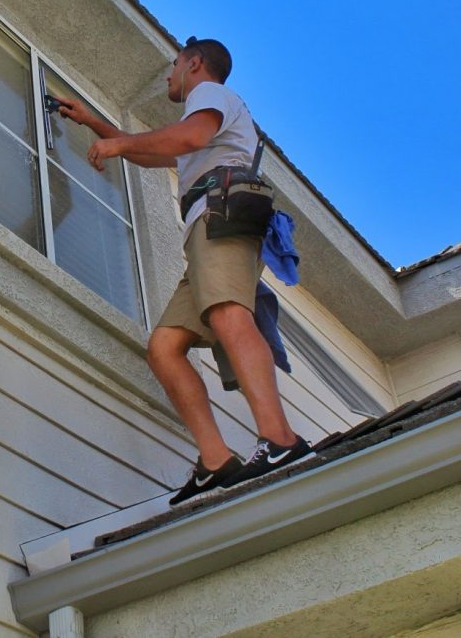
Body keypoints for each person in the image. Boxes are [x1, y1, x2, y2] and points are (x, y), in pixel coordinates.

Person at [56, 36, 313, 504]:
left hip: (222, 214)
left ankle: (280, 440)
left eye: (174, 66)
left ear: (195, 64)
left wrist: (115, 146)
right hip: (206, 227)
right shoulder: (203, 122)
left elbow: (187, 138)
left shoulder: (208, 97)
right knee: (165, 347)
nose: (169, 75)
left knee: (227, 314)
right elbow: (156, 152)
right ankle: (216, 461)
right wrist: (96, 125)